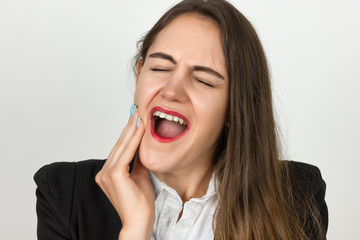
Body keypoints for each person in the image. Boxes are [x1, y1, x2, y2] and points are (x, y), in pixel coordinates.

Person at [34, 0, 328, 239]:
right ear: (139, 76)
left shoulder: (298, 197)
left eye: (204, 80)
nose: (172, 91)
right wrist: (136, 228)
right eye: (161, 68)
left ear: (234, 110)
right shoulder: (63, 196)